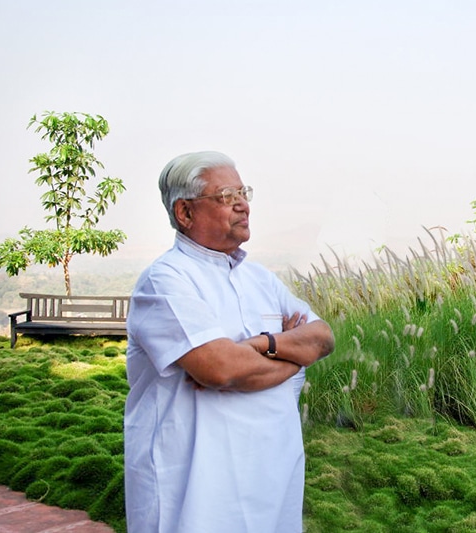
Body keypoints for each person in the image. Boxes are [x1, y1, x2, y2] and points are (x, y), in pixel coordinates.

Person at [124, 151, 334, 533]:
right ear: (185, 213)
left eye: (244, 192)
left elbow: (322, 339)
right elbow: (221, 369)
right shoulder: (166, 281)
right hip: (196, 487)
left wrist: (256, 345)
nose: (243, 205)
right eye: (225, 196)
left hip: (272, 474)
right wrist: (291, 352)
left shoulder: (261, 280)